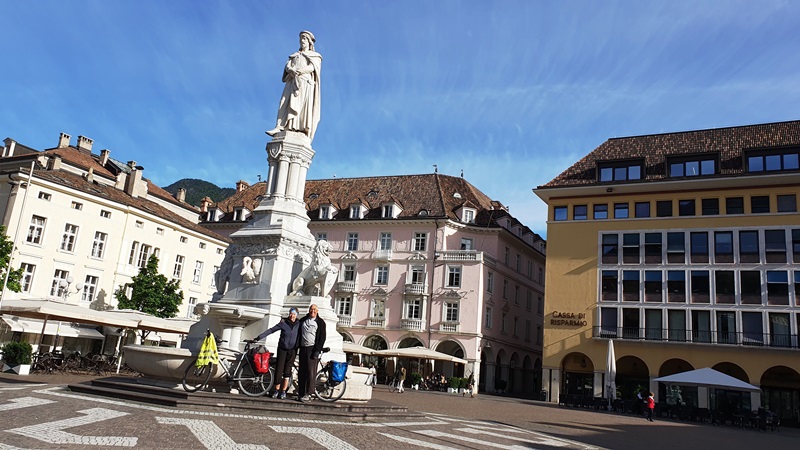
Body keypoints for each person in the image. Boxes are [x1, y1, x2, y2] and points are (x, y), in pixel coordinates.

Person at [266, 30, 322, 141]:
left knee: (299, 106)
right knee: (284, 102)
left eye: (305, 39)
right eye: (301, 39)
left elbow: (312, 68)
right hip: (291, 81)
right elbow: (287, 66)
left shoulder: (315, 56)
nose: (302, 41)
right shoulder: (294, 55)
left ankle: (298, 128)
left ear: (310, 42)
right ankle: (280, 126)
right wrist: (291, 70)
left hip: (304, 84)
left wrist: (300, 71)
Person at [255, 307, 300, 400]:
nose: (292, 316)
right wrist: (258, 337)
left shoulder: (299, 324)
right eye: (291, 313)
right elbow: (271, 330)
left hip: (292, 350)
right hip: (282, 349)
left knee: (287, 371)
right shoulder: (283, 323)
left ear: (297, 315)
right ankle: (276, 390)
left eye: (294, 314)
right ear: (289, 314)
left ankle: (283, 391)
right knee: (279, 370)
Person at [297, 304, 326, 402]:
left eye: (314, 309)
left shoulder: (320, 322)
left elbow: (322, 337)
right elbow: (296, 325)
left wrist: (317, 350)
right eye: (311, 309)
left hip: (312, 348)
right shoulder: (303, 320)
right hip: (303, 348)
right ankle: (301, 392)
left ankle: (309, 393)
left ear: (317, 311)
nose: (312, 311)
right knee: (302, 371)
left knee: (311, 372)